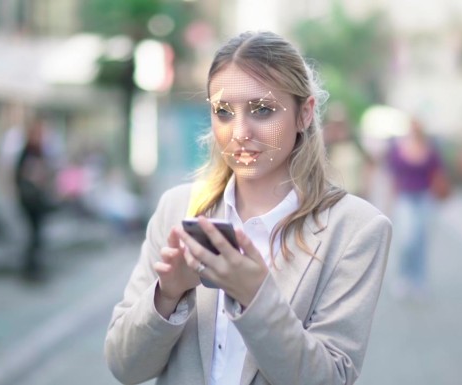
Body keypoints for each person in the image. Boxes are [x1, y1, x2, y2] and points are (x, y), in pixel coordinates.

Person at [104, 31, 392, 385]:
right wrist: (168, 294)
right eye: (223, 112)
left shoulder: (357, 229)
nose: (240, 131)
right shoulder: (178, 208)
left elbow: (328, 378)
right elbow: (124, 366)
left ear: (304, 113)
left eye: (263, 110)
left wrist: (255, 296)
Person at [386, 116, 445, 299]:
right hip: (405, 198)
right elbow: (393, 176)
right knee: (406, 240)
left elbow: (437, 172)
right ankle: (403, 277)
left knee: (421, 240)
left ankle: (420, 280)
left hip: (425, 198)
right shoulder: (398, 149)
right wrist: (390, 202)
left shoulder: (430, 148)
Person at [14, 116, 55, 281]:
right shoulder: (28, 152)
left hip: (38, 200)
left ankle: (35, 269)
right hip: (30, 201)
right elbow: (21, 175)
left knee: (37, 236)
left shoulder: (39, 151)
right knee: (33, 236)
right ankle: (30, 270)